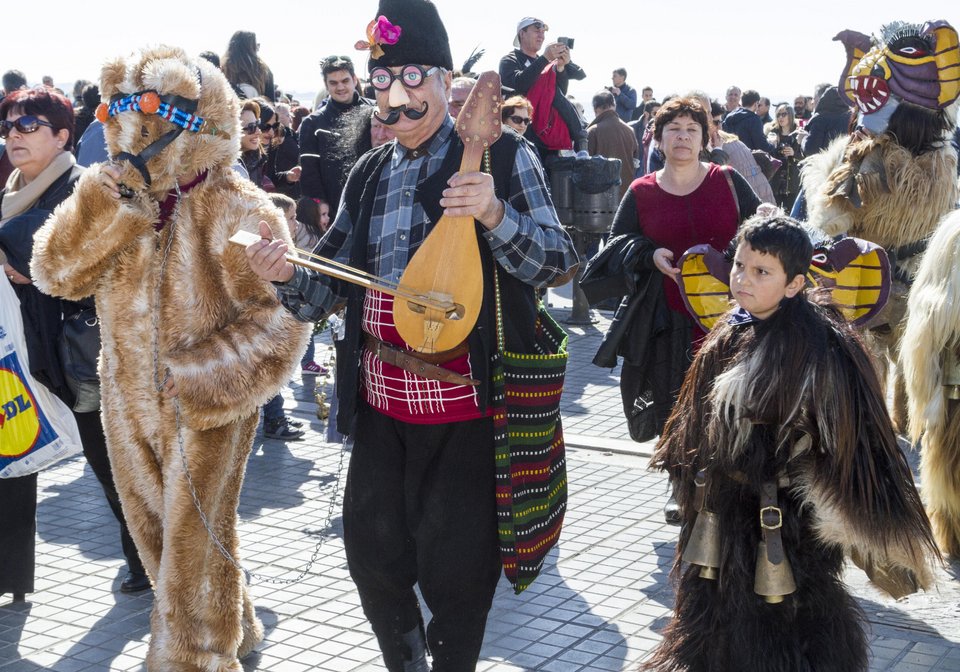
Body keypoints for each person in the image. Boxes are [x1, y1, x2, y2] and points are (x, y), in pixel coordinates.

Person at [244, 1, 578, 668]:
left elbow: (561, 261)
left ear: (445, 78)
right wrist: (283, 274)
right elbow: (326, 288)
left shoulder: (504, 157)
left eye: (412, 79)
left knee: (458, 575)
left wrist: (492, 213)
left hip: (469, 408)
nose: (397, 101)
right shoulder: (370, 172)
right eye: (383, 83)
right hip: (379, 410)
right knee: (373, 560)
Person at [31, 46, 309, 670]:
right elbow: (55, 273)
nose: (131, 139)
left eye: (148, 124)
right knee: (162, 543)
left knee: (191, 549)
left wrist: (200, 376)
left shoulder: (238, 206)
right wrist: (102, 208)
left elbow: (282, 320)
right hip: (124, 399)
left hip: (205, 405)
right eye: (119, 123)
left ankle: (196, 659)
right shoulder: (116, 197)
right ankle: (232, 624)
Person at [645, 215, 939, 672]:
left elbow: (850, 450)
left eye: (762, 272)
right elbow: (691, 430)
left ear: (794, 283)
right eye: (739, 266)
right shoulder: (730, 331)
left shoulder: (822, 348)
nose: (743, 279)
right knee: (714, 630)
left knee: (789, 635)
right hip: (720, 516)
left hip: (787, 527)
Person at [0, 87, 148, 601]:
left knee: (111, 467)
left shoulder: (82, 187)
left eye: (28, 125)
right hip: (23, 351)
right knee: (14, 461)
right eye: (9, 126)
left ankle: (146, 560)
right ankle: (9, 577)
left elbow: (44, 252)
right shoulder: (12, 190)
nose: (13, 135)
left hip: (77, 351)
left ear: (62, 134)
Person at [591, 96, 760, 485]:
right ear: (658, 138)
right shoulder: (641, 190)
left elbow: (762, 233)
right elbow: (617, 245)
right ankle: (679, 482)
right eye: (674, 129)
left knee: (726, 402)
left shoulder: (728, 181)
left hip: (729, 319)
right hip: (666, 319)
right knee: (672, 401)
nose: (682, 137)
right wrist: (650, 255)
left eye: (691, 130)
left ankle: (722, 482)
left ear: (705, 138)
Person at [499, 16, 587, 158]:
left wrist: (561, 68)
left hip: (547, 134)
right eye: (537, 30)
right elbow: (518, 87)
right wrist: (545, 59)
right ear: (522, 33)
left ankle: (580, 140)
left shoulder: (547, 61)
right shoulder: (509, 60)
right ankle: (581, 141)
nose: (542, 35)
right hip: (524, 131)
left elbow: (560, 92)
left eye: (543, 32)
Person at [298, 55, 373, 216]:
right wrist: (320, 206)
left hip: (374, 200)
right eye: (333, 82)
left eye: (345, 81)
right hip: (335, 209)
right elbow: (310, 172)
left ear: (354, 80)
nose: (340, 87)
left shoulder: (374, 112)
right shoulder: (313, 123)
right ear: (326, 85)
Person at [587, 89, 638, 200]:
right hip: (626, 195)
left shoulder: (593, 131)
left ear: (596, 109)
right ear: (614, 106)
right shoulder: (630, 130)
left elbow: (586, 168)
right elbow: (635, 163)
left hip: (599, 201)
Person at [260, 100, 302, 199]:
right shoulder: (239, 153)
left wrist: (287, 176)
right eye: (265, 126)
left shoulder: (272, 146)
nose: (271, 132)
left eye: (274, 126)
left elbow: (272, 177)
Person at [764, 103, 803, 209]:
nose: (780, 117)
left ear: (790, 115)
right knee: (774, 210)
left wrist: (794, 153)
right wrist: (772, 147)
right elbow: (767, 155)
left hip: (792, 181)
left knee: (789, 212)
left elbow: (806, 157)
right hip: (775, 179)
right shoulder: (772, 133)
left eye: (784, 114)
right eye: (778, 115)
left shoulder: (798, 133)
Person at [221, 30, 275, 101]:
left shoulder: (222, 68)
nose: (258, 47)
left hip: (228, 110)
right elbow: (271, 103)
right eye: (256, 44)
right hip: (257, 110)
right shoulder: (264, 70)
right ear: (252, 47)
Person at [801, 85, 852, 156]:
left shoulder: (819, 119)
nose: (812, 102)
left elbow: (811, 151)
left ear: (821, 98)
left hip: (826, 165)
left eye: (814, 98)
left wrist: (803, 139)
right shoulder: (851, 117)